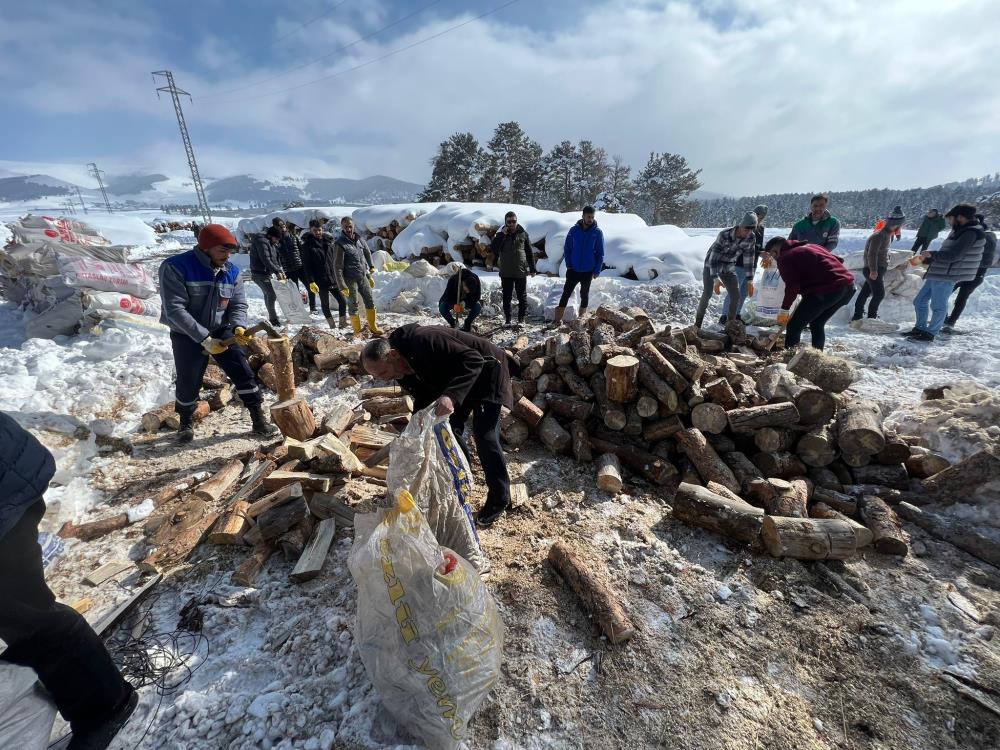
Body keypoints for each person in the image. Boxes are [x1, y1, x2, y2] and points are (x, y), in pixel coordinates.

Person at [0, 412, 137, 750]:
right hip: (9, 479)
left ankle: (106, 705)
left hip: (6, 492)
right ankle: (66, 678)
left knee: (24, 611)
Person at [361, 326, 514, 525]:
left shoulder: (424, 340)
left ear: (393, 355)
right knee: (450, 430)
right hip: (458, 378)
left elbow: (474, 360)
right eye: (377, 376)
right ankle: (462, 480)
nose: (382, 379)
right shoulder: (399, 370)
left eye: (382, 372)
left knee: (484, 435)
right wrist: (416, 423)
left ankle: (500, 498)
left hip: (488, 369)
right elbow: (423, 396)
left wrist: (451, 396)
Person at [159, 224, 280, 442]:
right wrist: (204, 339)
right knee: (188, 378)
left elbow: (238, 305)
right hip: (186, 333)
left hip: (221, 329)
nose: (227, 256)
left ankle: (258, 418)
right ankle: (185, 422)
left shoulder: (232, 272)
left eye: (230, 252)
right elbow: (174, 309)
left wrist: (238, 326)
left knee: (242, 370)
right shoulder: (175, 267)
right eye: (222, 251)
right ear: (205, 248)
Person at [906, 204, 986, 342]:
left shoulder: (970, 233)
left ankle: (930, 333)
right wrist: (929, 259)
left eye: (951, 219)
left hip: (948, 275)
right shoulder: (960, 230)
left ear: (960, 217)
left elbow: (955, 255)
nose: (949, 222)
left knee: (938, 305)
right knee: (919, 301)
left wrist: (931, 254)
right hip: (938, 272)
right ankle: (920, 328)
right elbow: (947, 253)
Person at [764, 236, 855, 350]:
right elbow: (838, 260)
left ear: (774, 251)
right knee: (817, 323)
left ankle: (789, 358)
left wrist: (784, 309)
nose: (774, 260)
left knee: (794, 326)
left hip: (826, 290)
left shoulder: (785, 258)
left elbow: (792, 287)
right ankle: (817, 356)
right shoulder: (812, 246)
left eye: (772, 256)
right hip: (848, 287)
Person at [694, 212, 758, 328]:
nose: (748, 232)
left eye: (751, 230)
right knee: (707, 293)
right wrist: (715, 279)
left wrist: (750, 280)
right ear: (741, 225)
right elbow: (713, 259)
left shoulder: (751, 237)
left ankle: (730, 326)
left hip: (728, 265)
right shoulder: (724, 235)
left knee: (736, 295)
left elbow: (749, 259)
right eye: (746, 229)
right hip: (712, 264)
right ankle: (697, 325)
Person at [943, 215, 996, 333]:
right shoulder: (990, 236)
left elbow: (964, 253)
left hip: (968, 273)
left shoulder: (979, 237)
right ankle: (949, 321)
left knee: (946, 295)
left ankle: (947, 321)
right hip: (976, 274)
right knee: (958, 298)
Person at [852, 206, 905, 323]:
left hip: (876, 269)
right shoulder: (880, 235)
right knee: (879, 294)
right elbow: (872, 254)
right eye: (900, 225)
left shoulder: (886, 234)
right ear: (897, 224)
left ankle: (857, 316)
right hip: (874, 269)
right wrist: (873, 270)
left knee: (865, 292)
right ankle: (871, 317)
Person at [553, 206, 604, 326]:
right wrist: (569, 265)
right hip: (573, 269)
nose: (590, 219)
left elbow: (600, 253)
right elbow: (567, 248)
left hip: (588, 270)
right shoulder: (574, 230)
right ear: (583, 216)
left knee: (584, 294)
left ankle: (581, 320)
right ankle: (557, 320)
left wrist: (597, 270)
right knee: (566, 293)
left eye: (592, 217)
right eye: (588, 217)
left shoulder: (597, 232)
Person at [334, 217, 382, 336]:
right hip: (349, 279)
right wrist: (341, 285)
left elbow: (366, 252)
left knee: (370, 300)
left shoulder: (359, 239)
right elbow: (337, 266)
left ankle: (373, 326)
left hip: (362, 275)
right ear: (342, 227)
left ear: (353, 226)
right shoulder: (340, 244)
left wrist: (370, 267)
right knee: (353, 304)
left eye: (350, 226)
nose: (348, 229)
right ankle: (357, 331)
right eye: (346, 227)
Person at [491, 211, 536, 326]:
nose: (512, 224)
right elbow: (494, 248)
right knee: (507, 297)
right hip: (506, 272)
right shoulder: (501, 235)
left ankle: (521, 319)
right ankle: (508, 320)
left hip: (520, 271)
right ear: (505, 223)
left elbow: (529, 252)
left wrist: (532, 267)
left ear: (517, 221)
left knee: (522, 296)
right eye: (509, 222)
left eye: (514, 221)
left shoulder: (523, 234)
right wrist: (502, 235)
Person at [300, 219, 347, 329]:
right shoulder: (307, 246)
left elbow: (334, 260)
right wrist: (311, 281)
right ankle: (332, 325)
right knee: (325, 304)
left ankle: (342, 322)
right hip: (319, 280)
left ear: (322, 229)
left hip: (332, 277)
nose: (318, 232)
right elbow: (307, 266)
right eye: (315, 230)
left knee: (342, 302)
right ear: (311, 230)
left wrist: (340, 275)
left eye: (319, 230)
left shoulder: (328, 242)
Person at [249, 227, 286, 326]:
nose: (277, 241)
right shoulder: (262, 242)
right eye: (276, 238)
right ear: (270, 236)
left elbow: (274, 260)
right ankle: (273, 319)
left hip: (264, 273)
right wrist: (277, 271)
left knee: (268, 294)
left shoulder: (270, 244)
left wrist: (280, 270)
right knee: (271, 294)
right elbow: (266, 259)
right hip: (259, 273)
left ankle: (272, 316)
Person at [273, 218, 309, 308]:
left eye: (283, 225)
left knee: (309, 287)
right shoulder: (275, 242)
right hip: (288, 269)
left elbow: (302, 251)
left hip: (300, 266)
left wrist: (305, 263)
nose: (282, 228)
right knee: (294, 291)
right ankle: (300, 308)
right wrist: (279, 270)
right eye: (279, 226)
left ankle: (313, 307)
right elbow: (275, 257)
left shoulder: (293, 236)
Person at [439, 265, 482, 332]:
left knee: (477, 306)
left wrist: (465, 302)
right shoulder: (453, 280)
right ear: (464, 283)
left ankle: (467, 323)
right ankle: (453, 324)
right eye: (467, 290)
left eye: (470, 291)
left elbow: (477, 296)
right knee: (442, 307)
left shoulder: (476, 278)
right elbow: (447, 296)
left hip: (467, 300)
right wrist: (454, 305)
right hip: (454, 299)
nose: (468, 292)